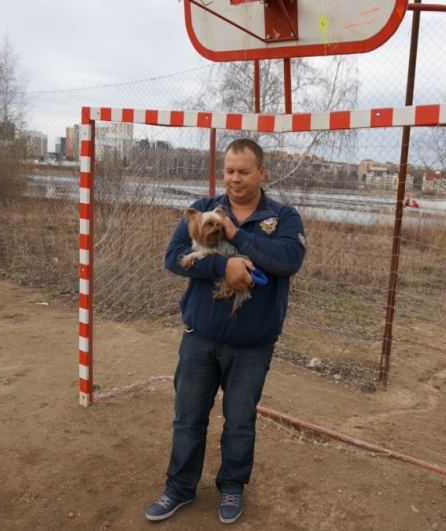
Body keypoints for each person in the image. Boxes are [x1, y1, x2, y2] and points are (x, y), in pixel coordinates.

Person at [147, 138, 306, 524]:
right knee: (187, 417)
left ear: (261, 173)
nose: (235, 179)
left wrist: (235, 234)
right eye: (229, 171)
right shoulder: (202, 209)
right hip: (199, 336)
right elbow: (172, 258)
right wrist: (223, 268)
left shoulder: (283, 217)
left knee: (239, 421)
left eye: (244, 172)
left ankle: (232, 487)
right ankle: (180, 487)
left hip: (253, 345)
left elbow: (287, 260)